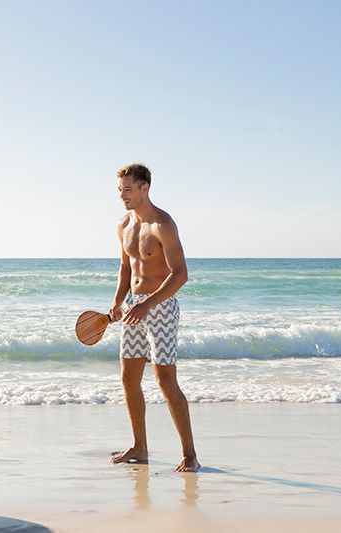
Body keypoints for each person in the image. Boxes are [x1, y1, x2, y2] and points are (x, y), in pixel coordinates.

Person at [109, 163, 199, 472]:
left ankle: (190, 455)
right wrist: (118, 301)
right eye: (120, 190)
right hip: (134, 307)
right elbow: (125, 268)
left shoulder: (163, 224)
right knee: (128, 378)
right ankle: (140, 448)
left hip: (160, 307)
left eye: (128, 190)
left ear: (145, 188)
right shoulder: (123, 225)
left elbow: (181, 275)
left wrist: (148, 305)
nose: (123, 196)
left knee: (165, 380)